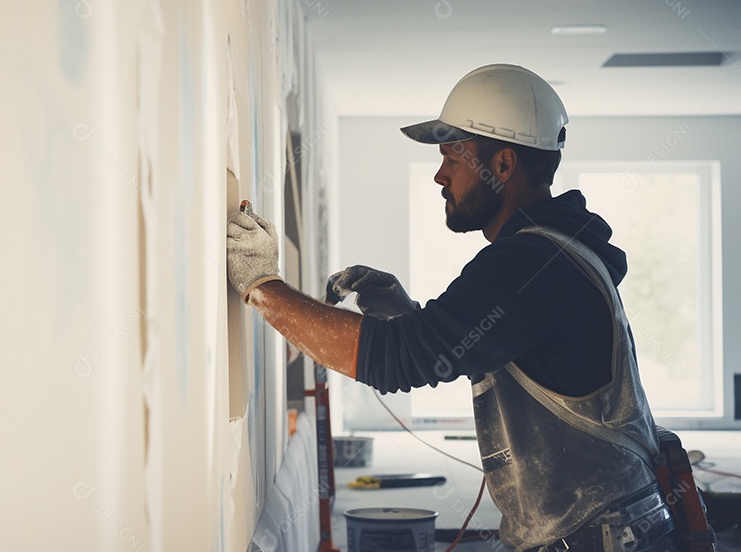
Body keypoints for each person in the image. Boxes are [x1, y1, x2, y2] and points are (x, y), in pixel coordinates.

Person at [226, 64, 682, 551]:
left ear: (502, 165)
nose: (440, 175)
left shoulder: (532, 263)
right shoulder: (552, 252)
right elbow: (467, 344)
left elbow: (399, 360)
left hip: (600, 538)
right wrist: (407, 317)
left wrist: (262, 284)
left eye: (451, 158)